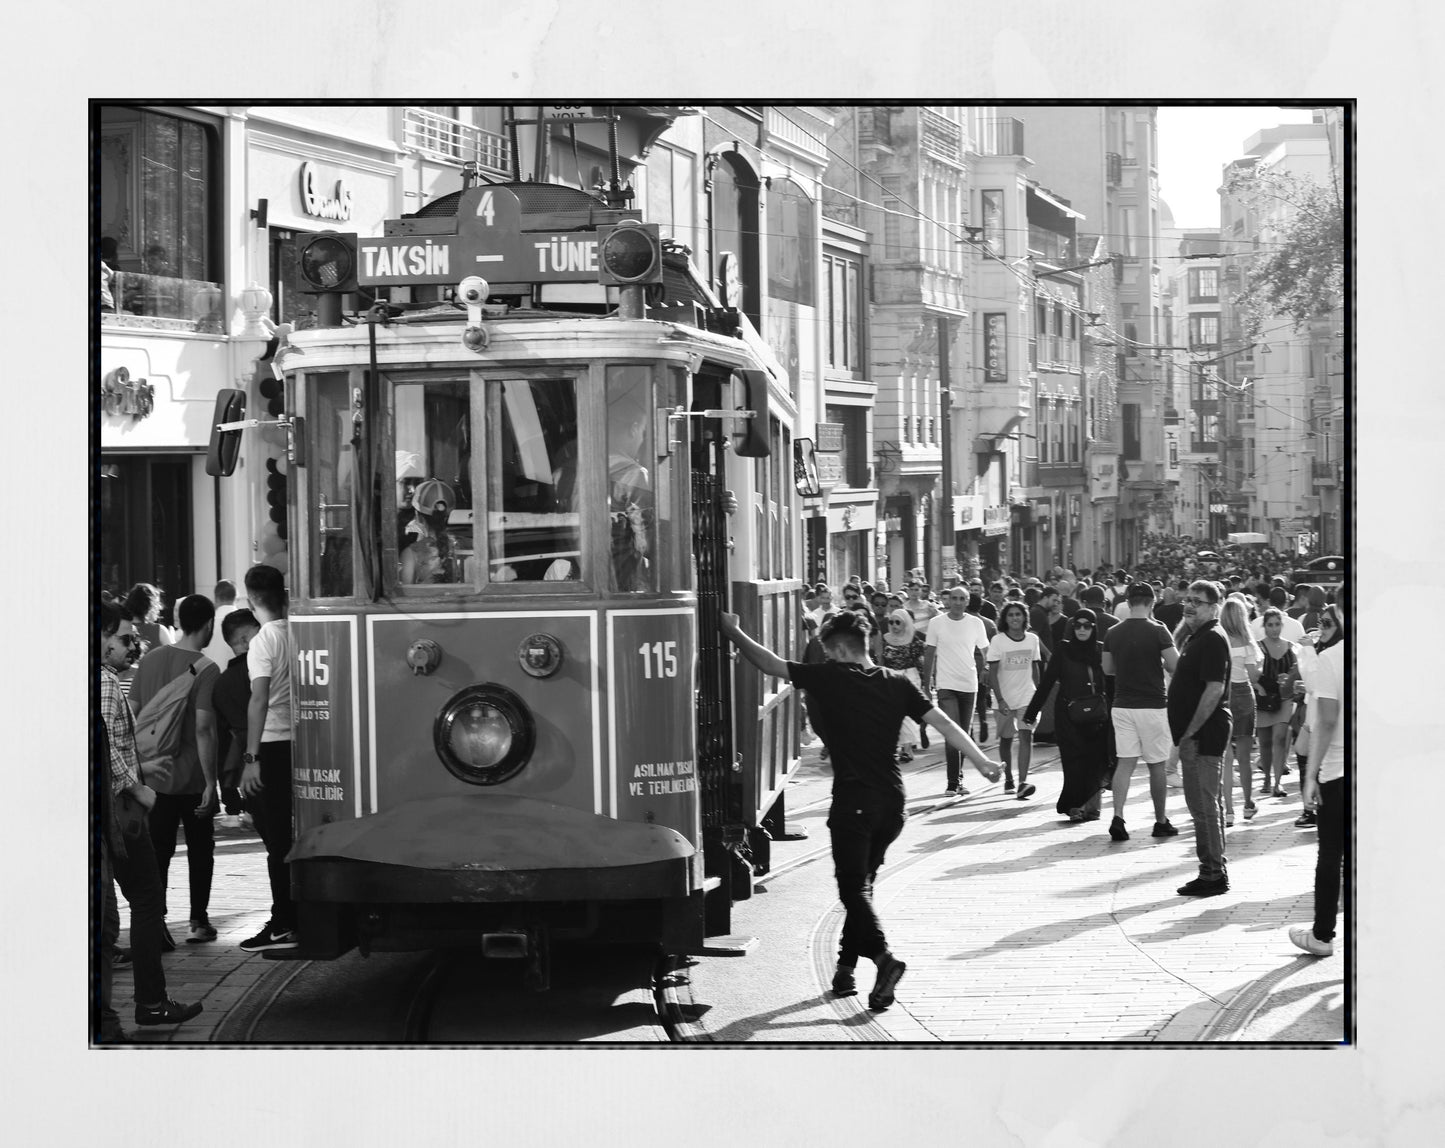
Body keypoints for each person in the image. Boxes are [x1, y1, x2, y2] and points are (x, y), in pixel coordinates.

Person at [719, 608, 1002, 1011]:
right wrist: (981, 762)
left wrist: (734, 632)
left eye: (830, 653)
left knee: (852, 888)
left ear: (837, 650)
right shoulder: (898, 682)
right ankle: (845, 971)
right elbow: (945, 724)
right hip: (892, 802)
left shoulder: (830, 677)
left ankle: (885, 960)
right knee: (862, 888)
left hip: (855, 802)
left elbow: (769, 663)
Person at [98, 600, 204, 1027]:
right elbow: (102, 748)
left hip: (117, 809)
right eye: (124, 638)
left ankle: (146, 1002)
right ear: (101, 638)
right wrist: (136, 786)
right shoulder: (105, 683)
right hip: (119, 813)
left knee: (136, 903)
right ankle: (150, 1002)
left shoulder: (106, 679)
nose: (132, 646)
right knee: (145, 900)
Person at [129, 594, 222, 946]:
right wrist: (211, 782)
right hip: (192, 778)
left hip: (154, 776)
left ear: (180, 620)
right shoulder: (207, 669)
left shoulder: (150, 660)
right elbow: (203, 729)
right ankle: (198, 921)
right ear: (209, 624)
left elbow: (135, 714)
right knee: (200, 851)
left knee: (158, 852)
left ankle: (157, 923)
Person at [238, 564, 299, 952]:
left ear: (251, 599)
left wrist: (250, 756)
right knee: (291, 835)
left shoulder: (263, 641)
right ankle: (292, 915)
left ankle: (282, 923)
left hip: (272, 744)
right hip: (301, 739)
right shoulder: (299, 632)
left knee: (276, 840)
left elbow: (258, 699)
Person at [1167, 581, 1234, 897]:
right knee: (1202, 805)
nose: (1189, 605)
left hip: (1204, 734)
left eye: (1197, 601)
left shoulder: (1211, 639)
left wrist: (1190, 731)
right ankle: (1210, 870)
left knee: (1205, 806)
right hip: (1196, 735)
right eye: (1187, 599)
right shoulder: (1199, 637)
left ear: (1214, 606)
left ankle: (1213, 875)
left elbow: (1214, 689)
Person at [1102, 583, 1180, 841]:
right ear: (1152, 601)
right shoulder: (1159, 631)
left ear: (1129, 601)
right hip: (1152, 704)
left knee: (1125, 762)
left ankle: (1118, 817)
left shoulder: (1113, 632)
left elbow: (1108, 669)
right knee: (1157, 765)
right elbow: (1174, 665)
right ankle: (1160, 821)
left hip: (1122, 704)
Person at [1290, 604, 1346, 956]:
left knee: (1330, 854)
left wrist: (1311, 775)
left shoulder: (1333, 659)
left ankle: (1323, 935)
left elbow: (1326, 721)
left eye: (1328, 622)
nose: (1322, 628)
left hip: (1337, 772)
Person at [1025, 608, 1112, 822]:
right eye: (1078, 625)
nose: (1082, 629)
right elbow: (1047, 682)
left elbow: (1110, 684)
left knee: (1094, 760)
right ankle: (1075, 806)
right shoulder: (1063, 650)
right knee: (1073, 761)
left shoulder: (1101, 651)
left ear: (1094, 628)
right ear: (1073, 627)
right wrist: (1032, 711)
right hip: (1068, 716)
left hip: (1096, 716)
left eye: (1087, 626)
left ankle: (1092, 808)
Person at [921, 586, 992, 797]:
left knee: (964, 733)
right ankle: (953, 782)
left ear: (968, 601)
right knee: (952, 733)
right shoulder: (936, 623)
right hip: (946, 685)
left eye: (962, 599)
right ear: (947, 600)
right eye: (954, 598)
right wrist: (926, 684)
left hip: (969, 684)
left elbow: (986, 651)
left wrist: (987, 668)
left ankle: (959, 778)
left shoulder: (976, 623)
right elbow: (930, 653)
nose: (958, 602)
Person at [987, 602, 1044, 797]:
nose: (1014, 618)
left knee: (1026, 735)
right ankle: (1009, 778)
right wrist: (1000, 699)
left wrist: (1038, 695)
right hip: (1003, 699)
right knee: (1006, 739)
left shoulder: (1032, 640)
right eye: (1010, 615)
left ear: (1024, 617)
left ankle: (1023, 782)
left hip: (1026, 696)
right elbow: (993, 674)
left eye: (1018, 614)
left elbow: (1035, 667)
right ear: (1005, 618)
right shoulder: (998, 641)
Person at [211, 608, 261, 827]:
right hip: (276, 758)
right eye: (258, 631)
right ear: (246, 639)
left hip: (246, 770)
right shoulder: (264, 670)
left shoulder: (222, 684)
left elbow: (222, 741)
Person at [1254, 607, 1300, 806]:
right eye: (1270, 625)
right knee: (1264, 742)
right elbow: (1252, 674)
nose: (1274, 629)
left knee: (1280, 738)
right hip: (1264, 699)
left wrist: (1290, 677)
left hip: (1284, 698)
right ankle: (1266, 779)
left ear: (1282, 625)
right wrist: (1260, 685)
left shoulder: (1292, 648)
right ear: (1264, 626)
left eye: (1277, 624)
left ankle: (1277, 782)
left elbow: (1298, 671)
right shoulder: (1258, 647)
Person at [608, 394, 653, 591]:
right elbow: (645, 543)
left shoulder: (565, 472)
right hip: (623, 583)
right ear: (634, 429)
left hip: (570, 577)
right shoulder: (634, 475)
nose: (642, 439)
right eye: (643, 432)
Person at [879, 609, 929, 762]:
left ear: (905, 623)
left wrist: (924, 684)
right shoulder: (885, 639)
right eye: (891, 622)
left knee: (906, 714)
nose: (894, 625)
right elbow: (881, 661)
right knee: (892, 713)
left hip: (910, 677)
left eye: (898, 622)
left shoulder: (914, 641)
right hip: (891, 678)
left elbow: (920, 663)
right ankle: (895, 745)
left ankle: (907, 749)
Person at [400, 478, 458, 584]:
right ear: (448, 515)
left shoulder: (410, 554)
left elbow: (405, 596)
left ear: (418, 515)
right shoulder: (461, 547)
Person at [202, 579, 240, 668]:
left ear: (215, 598)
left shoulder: (205, 625)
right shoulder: (247, 622)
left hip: (211, 677)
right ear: (236, 598)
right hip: (239, 678)